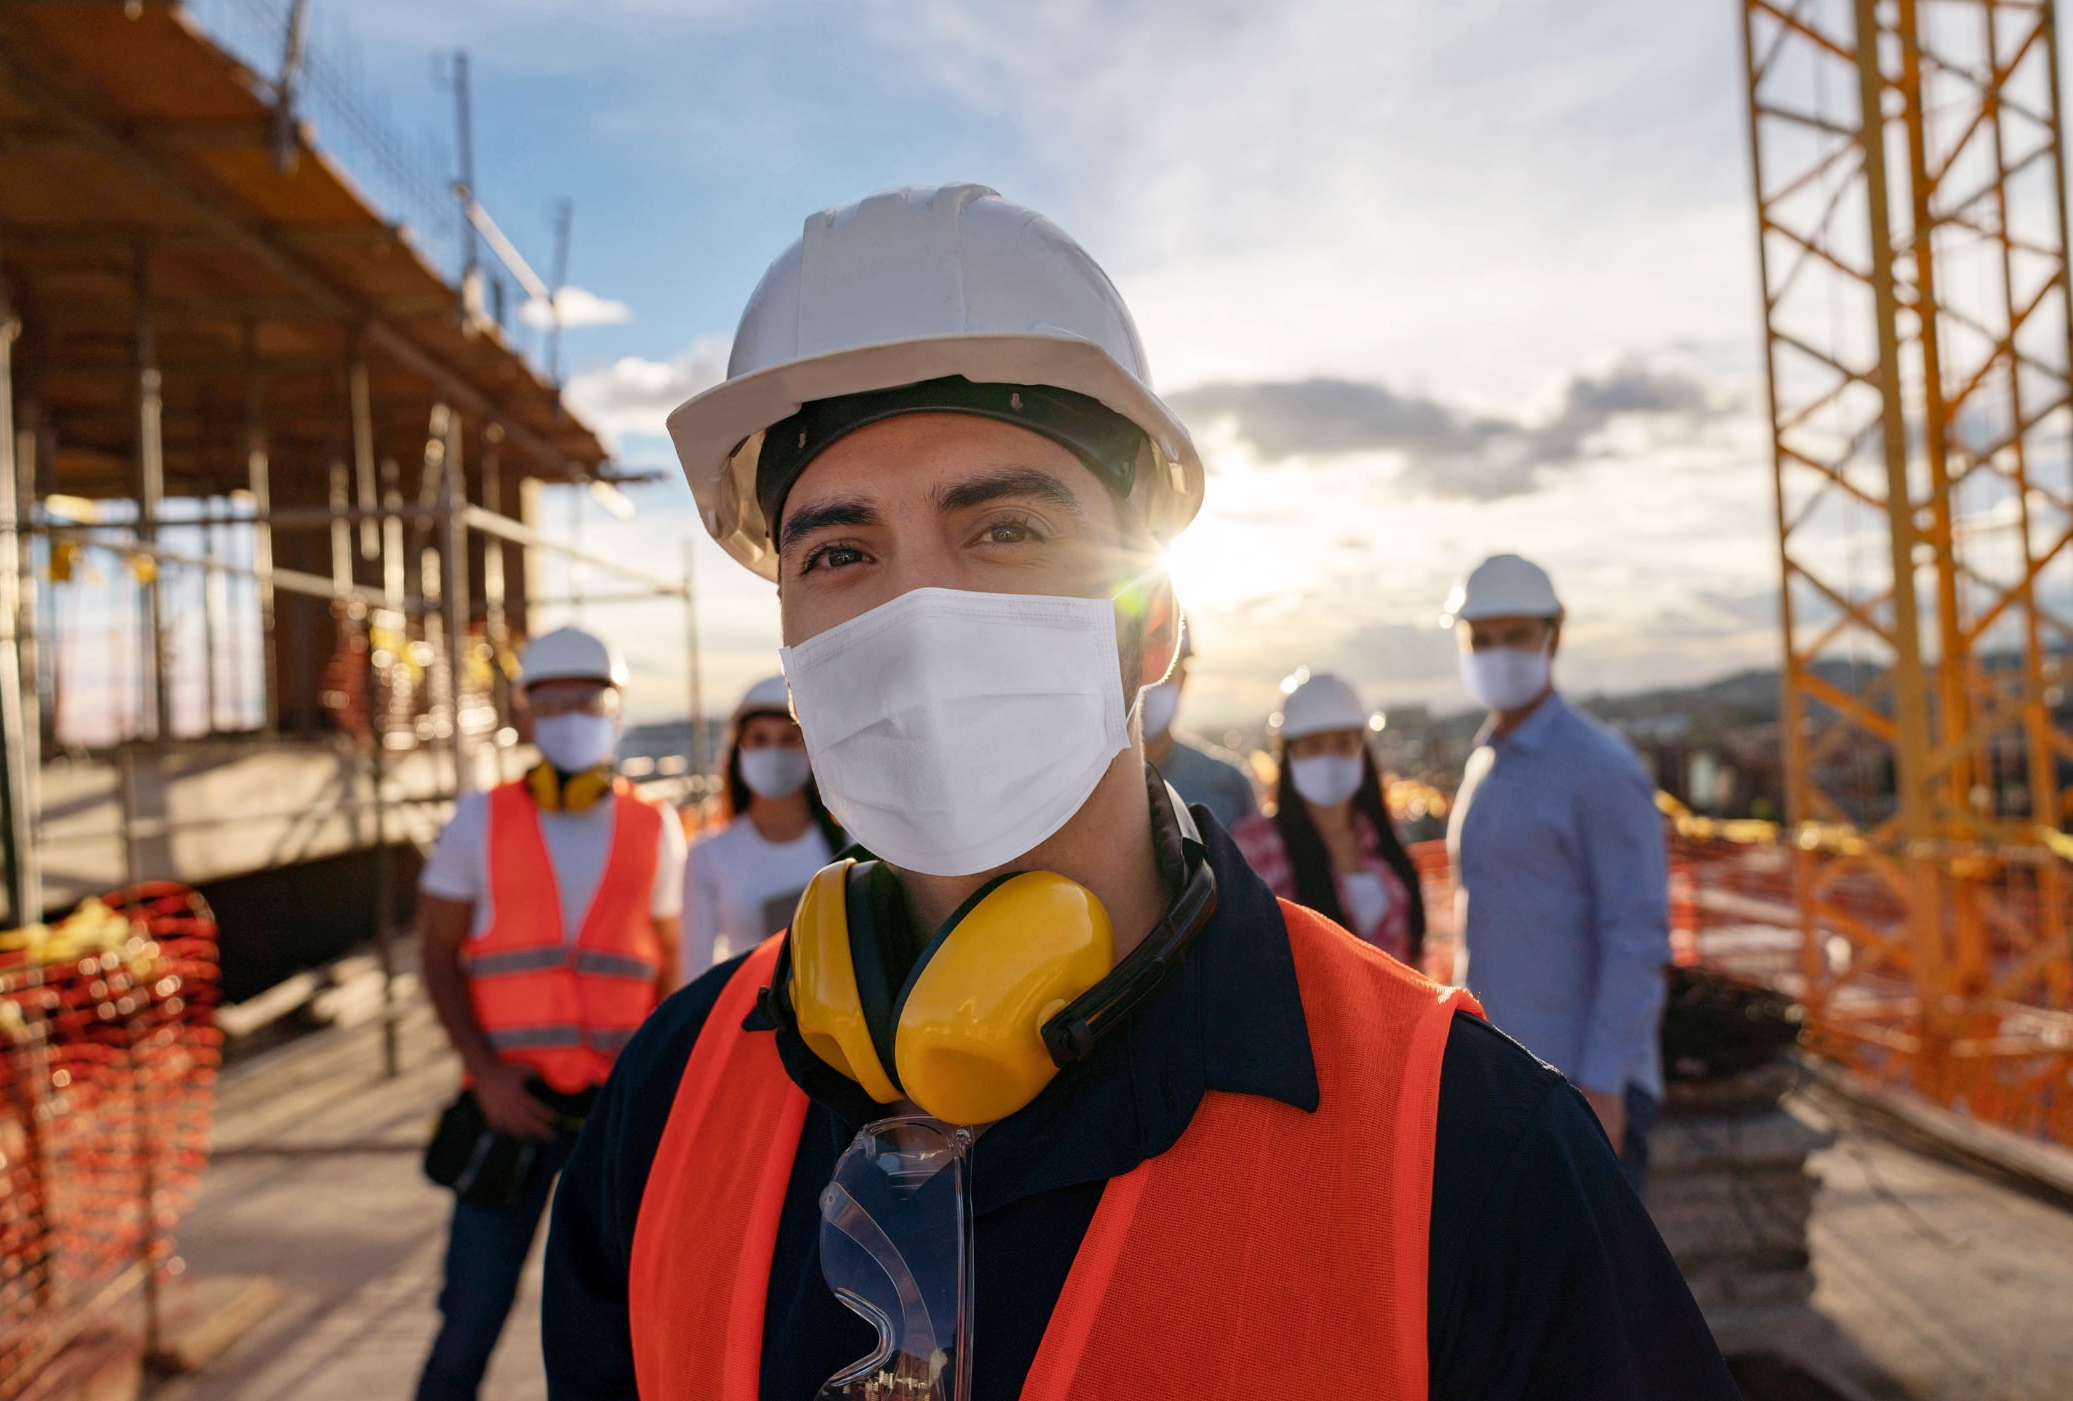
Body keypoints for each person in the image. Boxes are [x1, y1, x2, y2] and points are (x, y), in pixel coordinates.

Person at [543, 185, 1734, 1399]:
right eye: (840, 554)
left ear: (1152, 619)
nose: (917, 618)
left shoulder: (1465, 1154)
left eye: (1004, 531)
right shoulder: (665, 1113)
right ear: (793, 646)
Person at [413, 624, 685, 1401]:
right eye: (552, 698)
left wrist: (654, 1088)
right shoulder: (478, 820)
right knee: (469, 1318)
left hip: (617, 1113)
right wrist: (486, 1073)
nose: (569, 712)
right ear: (525, 713)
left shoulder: (654, 825)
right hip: (511, 1107)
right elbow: (437, 953)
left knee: (626, 1325)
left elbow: (671, 968)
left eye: (587, 698)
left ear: (616, 708)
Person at [1443, 553, 1673, 1195]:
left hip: (1579, 1088)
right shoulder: (1486, 765)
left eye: (1516, 635)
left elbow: (1637, 934)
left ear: (1554, 636)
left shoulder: (1598, 767)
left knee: (1596, 1294)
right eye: (1481, 639)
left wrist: (1603, 1086)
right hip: (1508, 1081)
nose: (1498, 653)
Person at [1233, 670, 1424, 966]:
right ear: (1289, 755)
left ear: (1362, 749)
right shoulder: (1254, 847)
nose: (1329, 759)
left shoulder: (1380, 837)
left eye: (1343, 744)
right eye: (1313, 746)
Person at [678, 675, 846, 985]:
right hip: (753, 1025)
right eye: (759, 739)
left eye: (788, 739)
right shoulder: (708, 856)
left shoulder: (853, 844)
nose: (774, 752)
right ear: (739, 749)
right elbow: (695, 974)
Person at [1140, 620, 1258, 827]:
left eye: (1161, 672)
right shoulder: (1074, 790)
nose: (1145, 688)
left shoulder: (1229, 786)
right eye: (1133, 671)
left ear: (1182, 678)